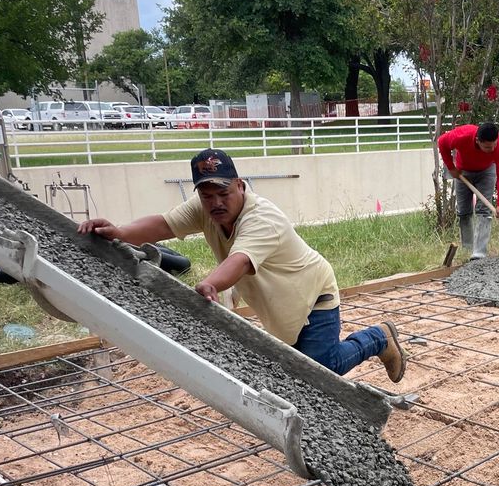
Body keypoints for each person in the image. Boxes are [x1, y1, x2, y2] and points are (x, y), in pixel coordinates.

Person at [78, 149, 406, 381]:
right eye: (207, 195)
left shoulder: (262, 217)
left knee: (322, 368)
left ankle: (379, 337)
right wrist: (120, 232)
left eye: (223, 192)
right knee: (297, 372)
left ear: (239, 184)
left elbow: (240, 260)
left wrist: (212, 283)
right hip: (281, 303)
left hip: (312, 294)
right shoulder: (205, 208)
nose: (216, 202)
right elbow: (164, 224)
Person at [438, 121, 499, 259]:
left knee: (484, 210)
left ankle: (479, 253)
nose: (492, 149)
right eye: (487, 147)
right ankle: (468, 249)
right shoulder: (462, 135)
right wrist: (451, 167)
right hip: (463, 172)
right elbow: (442, 142)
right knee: (464, 211)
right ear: (477, 140)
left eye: (494, 145)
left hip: (487, 172)